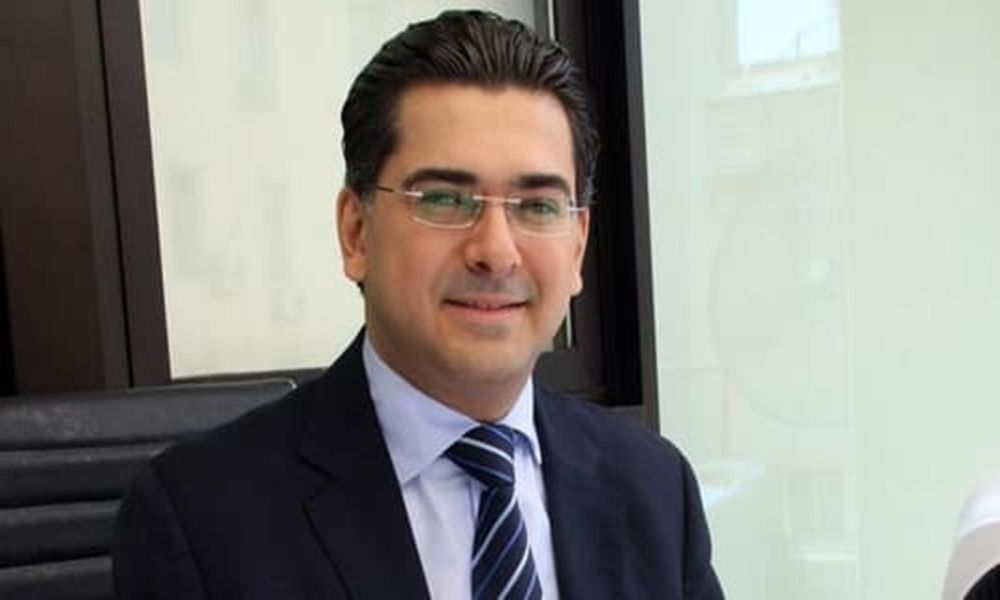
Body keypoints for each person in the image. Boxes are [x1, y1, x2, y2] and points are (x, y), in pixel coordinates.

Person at [112, 9, 723, 599]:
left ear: (578, 246)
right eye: (444, 200)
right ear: (356, 233)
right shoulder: (203, 520)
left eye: (537, 206)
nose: (496, 252)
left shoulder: (654, 488)